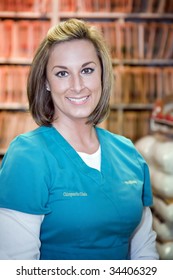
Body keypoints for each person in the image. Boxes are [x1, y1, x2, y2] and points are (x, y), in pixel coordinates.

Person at [0, 18, 159, 260]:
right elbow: (16, 268)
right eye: (62, 73)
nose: (77, 86)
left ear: (102, 75)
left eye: (87, 70)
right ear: (46, 83)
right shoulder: (27, 156)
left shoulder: (128, 154)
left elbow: (144, 251)